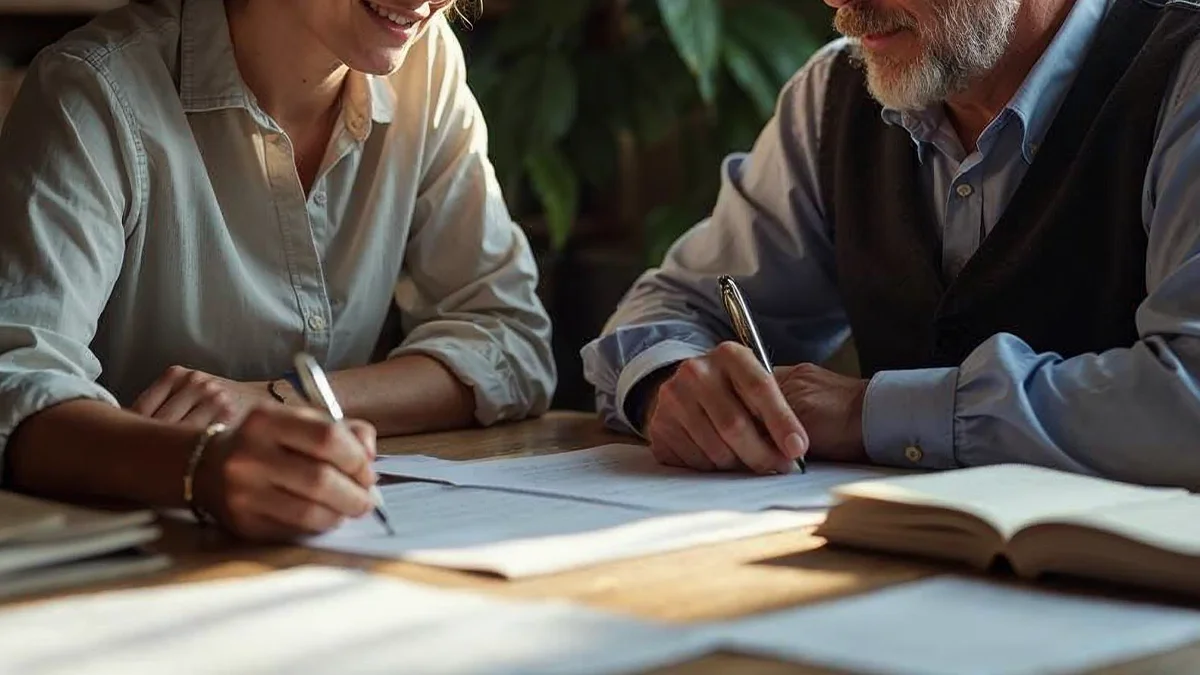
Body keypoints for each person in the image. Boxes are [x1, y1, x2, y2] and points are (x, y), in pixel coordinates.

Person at [583, 0, 1200, 488]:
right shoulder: (833, 94)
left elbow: (1189, 395)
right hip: (885, 589)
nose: (838, 1)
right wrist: (672, 385)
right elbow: (669, 310)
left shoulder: (1183, 77)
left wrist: (868, 415)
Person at [0, 0, 555, 540]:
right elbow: (17, 382)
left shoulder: (426, 65)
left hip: (318, 547)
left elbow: (508, 336)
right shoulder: (95, 89)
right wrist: (203, 467)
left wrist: (277, 400)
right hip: (120, 560)